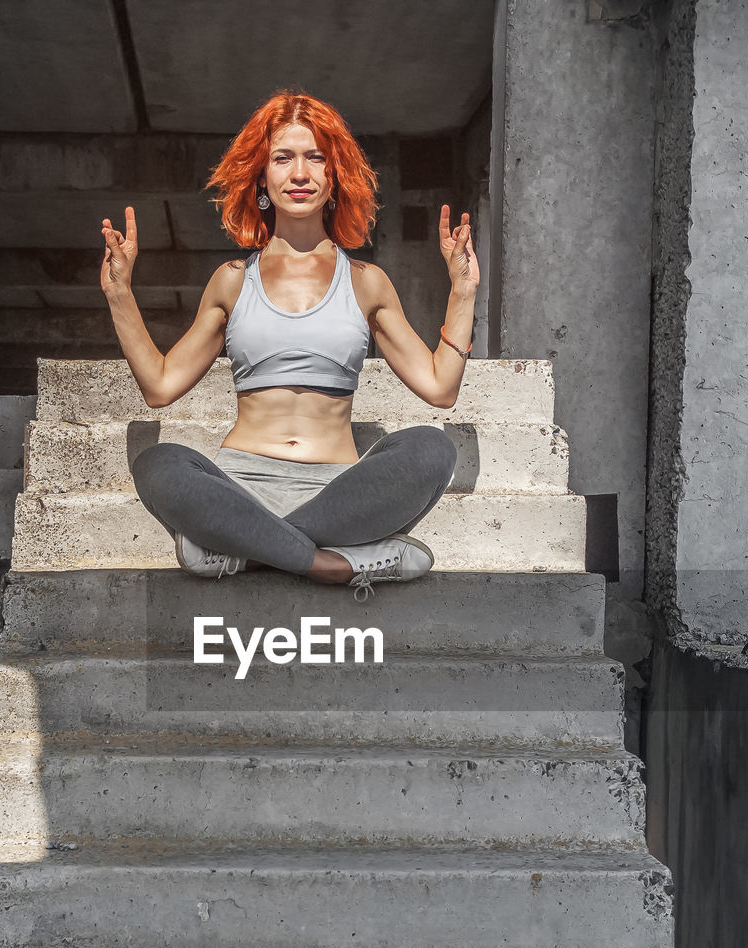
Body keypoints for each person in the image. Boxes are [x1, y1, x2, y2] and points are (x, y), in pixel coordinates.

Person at [100, 91, 480, 601]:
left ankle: (248, 550)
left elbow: (439, 389)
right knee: (157, 462)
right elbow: (160, 387)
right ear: (261, 178)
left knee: (432, 448)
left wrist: (462, 292)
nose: (299, 173)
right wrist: (120, 294)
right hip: (241, 490)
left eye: (315, 157)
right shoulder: (232, 280)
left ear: (334, 177)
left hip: (335, 494)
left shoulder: (367, 281)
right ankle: (329, 564)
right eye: (283, 158)